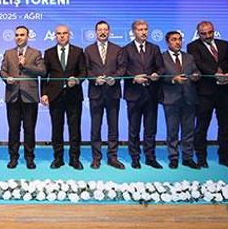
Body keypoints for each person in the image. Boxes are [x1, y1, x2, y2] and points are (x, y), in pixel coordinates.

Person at [186, 21, 228, 168]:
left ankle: (225, 157)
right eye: (204, 33)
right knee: (202, 127)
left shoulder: (224, 44)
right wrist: (215, 74)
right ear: (198, 33)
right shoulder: (193, 46)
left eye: (210, 32)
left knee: (226, 126)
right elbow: (199, 64)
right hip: (205, 93)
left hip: (226, 91)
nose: (208, 36)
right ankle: (201, 158)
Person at [0, 25, 46, 169]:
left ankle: (29, 158)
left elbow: (42, 71)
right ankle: (13, 157)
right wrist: (6, 78)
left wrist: (26, 65)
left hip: (30, 97)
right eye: (17, 35)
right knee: (13, 129)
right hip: (12, 96)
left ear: (28, 36)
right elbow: (2, 71)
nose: (19, 37)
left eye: (22, 35)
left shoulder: (35, 53)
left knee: (29, 129)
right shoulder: (8, 53)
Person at [42, 25, 86, 170]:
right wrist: (44, 93)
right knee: (57, 129)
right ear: (55, 36)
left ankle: (75, 159)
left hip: (74, 96)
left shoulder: (78, 51)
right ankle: (58, 158)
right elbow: (44, 76)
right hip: (55, 96)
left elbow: (83, 72)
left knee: (75, 129)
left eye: (65, 33)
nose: (62, 36)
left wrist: (77, 80)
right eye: (59, 33)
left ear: (69, 35)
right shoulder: (48, 53)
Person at [84, 21, 127, 169]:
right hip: (96, 93)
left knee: (113, 127)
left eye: (105, 30)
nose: (102, 32)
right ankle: (96, 158)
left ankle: (112, 157)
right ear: (96, 32)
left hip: (113, 93)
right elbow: (86, 70)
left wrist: (114, 78)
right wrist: (95, 79)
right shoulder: (88, 50)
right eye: (100, 30)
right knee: (95, 127)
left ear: (109, 32)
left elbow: (122, 68)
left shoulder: (118, 49)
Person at [122, 20, 163, 169]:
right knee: (134, 129)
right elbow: (122, 70)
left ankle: (150, 157)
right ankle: (135, 157)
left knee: (150, 129)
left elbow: (161, 68)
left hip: (151, 94)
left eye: (145, 29)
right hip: (133, 94)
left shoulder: (155, 48)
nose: (143, 32)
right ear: (134, 32)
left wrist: (157, 74)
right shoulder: (126, 49)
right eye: (140, 29)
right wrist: (134, 78)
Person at [159, 31, 200, 169]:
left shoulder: (189, 57)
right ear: (167, 42)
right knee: (172, 131)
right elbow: (159, 76)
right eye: (174, 39)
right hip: (171, 99)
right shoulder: (162, 58)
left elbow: (196, 71)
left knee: (188, 131)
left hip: (189, 98)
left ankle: (188, 157)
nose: (177, 42)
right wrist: (173, 79)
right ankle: (174, 157)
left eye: (179, 39)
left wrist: (196, 76)